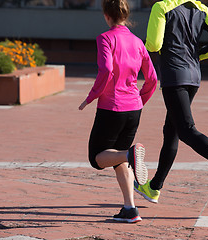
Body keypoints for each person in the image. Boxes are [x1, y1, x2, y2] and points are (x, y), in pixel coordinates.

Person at [134, 0, 208, 204]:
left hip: (174, 77)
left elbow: (154, 44)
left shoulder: (162, 7)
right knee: (171, 131)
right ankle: (154, 187)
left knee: (185, 130)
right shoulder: (201, 8)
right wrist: (200, 55)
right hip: (193, 76)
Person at [78, 0, 157, 223]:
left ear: (106, 15)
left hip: (111, 107)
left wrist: (91, 96)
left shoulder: (105, 38)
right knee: (119, 159)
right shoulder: (137, 42)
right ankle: (130, 209)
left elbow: (106, 69)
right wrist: (138, 101)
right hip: (134, 109)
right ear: (125, 14)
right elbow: (152, 78)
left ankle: (130, 154)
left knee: (97, 158)